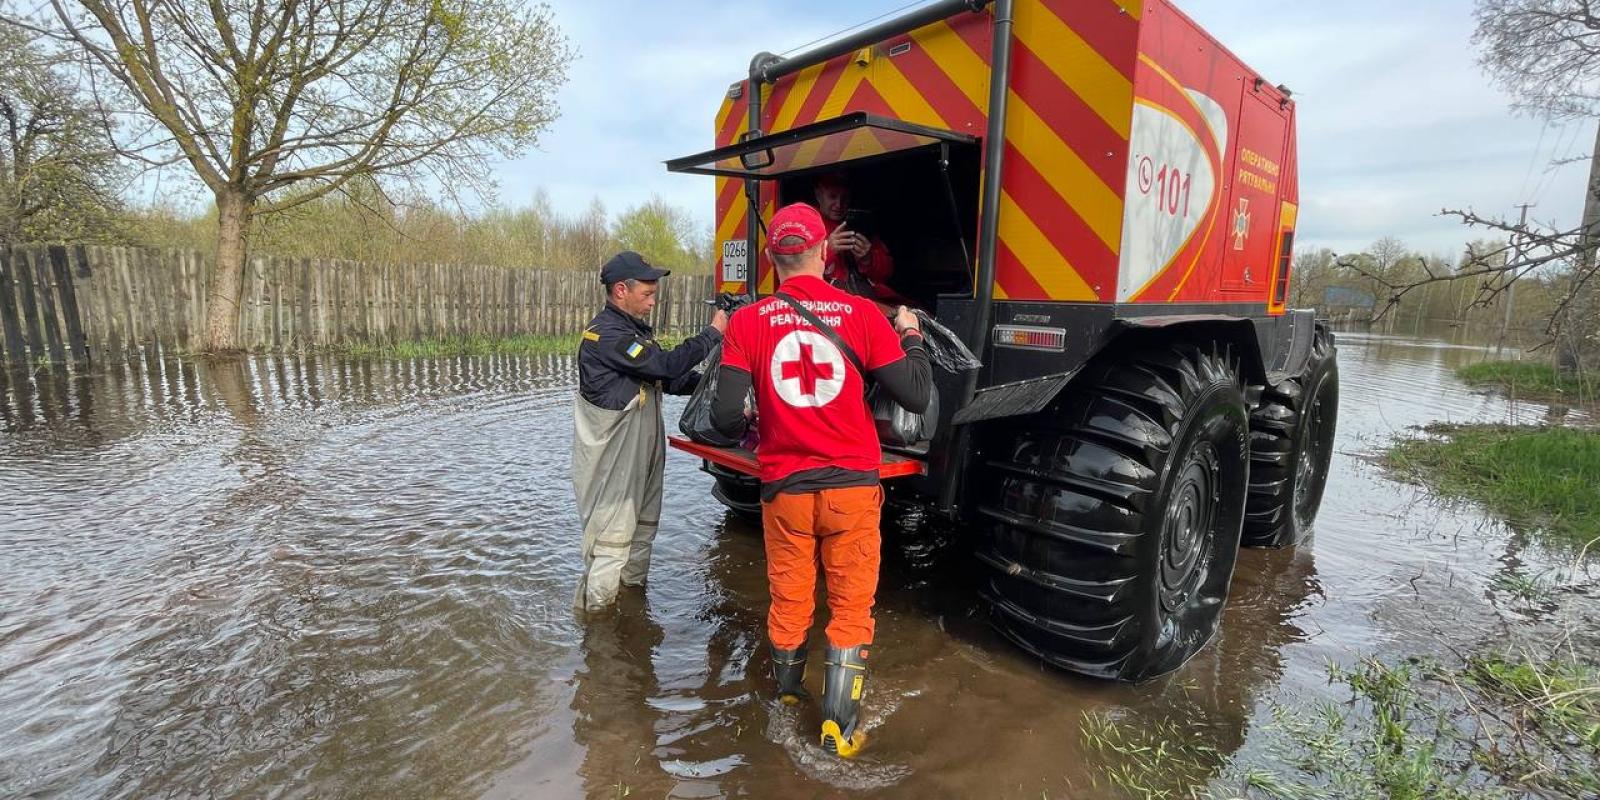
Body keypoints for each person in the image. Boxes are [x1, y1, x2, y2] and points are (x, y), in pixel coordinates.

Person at [708, 203, 931, 758]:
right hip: (852, 488)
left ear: (770, 258)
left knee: (789, 596)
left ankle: (786, 696)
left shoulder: (746, 322)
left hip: (786, 491)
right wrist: (912, 336)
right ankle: (840, 726)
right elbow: (916, 395)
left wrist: (761, 413)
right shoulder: (861, 314)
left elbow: (724, 419)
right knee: (851, 605)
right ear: (824, 252)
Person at [571, 251, 727, 611]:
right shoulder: (606, 335)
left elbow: (669, 379)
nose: (654, 300)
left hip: (640, 455)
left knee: (641, 531)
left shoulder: (632, 332)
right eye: (648, 293)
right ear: (620, 290)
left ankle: (629, 612)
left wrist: (715, 387)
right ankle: (598, 631)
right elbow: (664, 364)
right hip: (614, 461)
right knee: (611, 543)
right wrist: (713, 334)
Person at [814, 173, 899, 303]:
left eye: (845, 198)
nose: (839, 205)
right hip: (824, 302)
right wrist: (828, 251)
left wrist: (868, 259)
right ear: (818, 195)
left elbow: (887, 272)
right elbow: (793, 268)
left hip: (866, 300)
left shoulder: (860, 226)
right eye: (832, 196)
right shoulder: (808, 223)